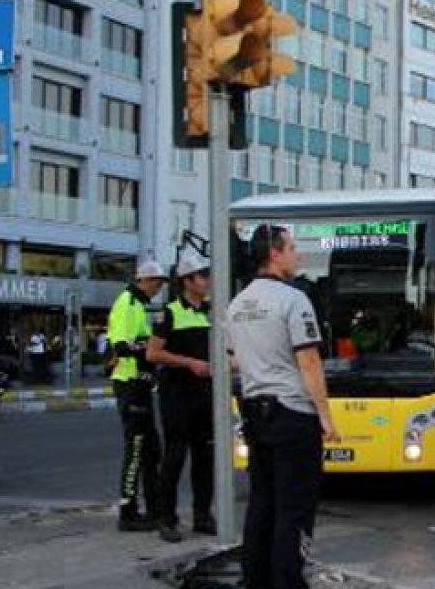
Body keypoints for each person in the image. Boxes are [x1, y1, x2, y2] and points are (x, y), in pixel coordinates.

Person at [228, 225, 338, 589]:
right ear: (274, 254)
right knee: (295, 509)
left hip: (256, 415)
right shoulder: (293, 300)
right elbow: (309, 363)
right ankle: (288, 581)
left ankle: (255, 579)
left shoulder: (237, 304)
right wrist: (325, 416)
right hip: (293, 416)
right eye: (292, 248)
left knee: (262, 504)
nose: (298, 255)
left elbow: (235, 360)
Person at [147, 252, 215, 543]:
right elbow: (153, 353)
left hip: (205, 393)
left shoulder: (211, 311)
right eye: (203, 276)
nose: (208, 281)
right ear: (187, 281)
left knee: (206, 455)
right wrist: (189, 363)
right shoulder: (170, 313)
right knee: (175, 455)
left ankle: (202, 514)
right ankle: (167, 518)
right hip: (177, 393)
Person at [109, 259, 168, 532]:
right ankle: (128, 511)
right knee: (135, 449)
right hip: (130, 383)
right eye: (156, 282)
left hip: (141, 385)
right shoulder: (128, 303)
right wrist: (149, 351)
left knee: (151, 451)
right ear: (143, 280)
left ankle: (154, 507)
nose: (158, 288)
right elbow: (122, 346)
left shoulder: (140, 305)